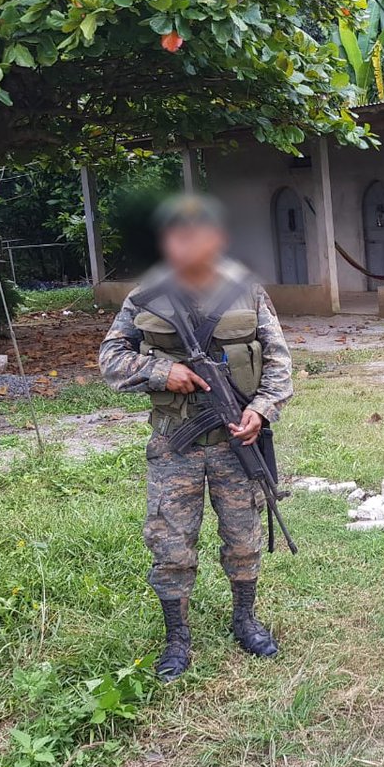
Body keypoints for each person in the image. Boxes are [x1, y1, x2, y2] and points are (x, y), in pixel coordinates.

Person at [99, 194, 293, 681]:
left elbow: (279, 364)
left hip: (237, 442)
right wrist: (163, 371)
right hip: (174, 445)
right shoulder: (146, 296)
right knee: (170, 543)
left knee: (244, 537)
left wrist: (260, 411)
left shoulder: (247, 292)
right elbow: (111, 361)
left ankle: (245, 620)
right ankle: (177, 639)